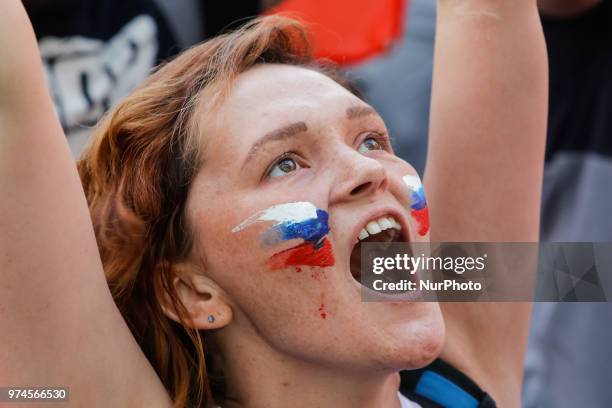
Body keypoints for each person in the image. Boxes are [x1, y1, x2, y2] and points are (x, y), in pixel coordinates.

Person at [0, 1, 547, 407]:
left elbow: (489, 12)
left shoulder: (461, 379)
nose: (366, 172)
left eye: (371, 141)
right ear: (191, 290)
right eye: (285, 162)